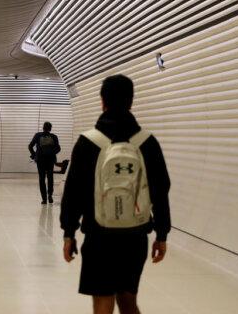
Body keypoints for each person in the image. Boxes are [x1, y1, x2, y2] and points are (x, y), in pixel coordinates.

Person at [60, 74, 171, 314]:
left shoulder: (88, 142)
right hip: (135, 235)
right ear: (131, 102)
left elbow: (74, 192)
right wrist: (162, 234)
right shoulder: (147, 142)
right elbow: (161, 190)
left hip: (99, 235)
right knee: (128, 300)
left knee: (103, 301)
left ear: (102, 101)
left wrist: (69, 232)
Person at [28, 121, 61, 204]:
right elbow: (58, 148)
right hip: (50, 160)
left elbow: (30, 146)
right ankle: (50, 195)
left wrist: (34, 154)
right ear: (50, 128)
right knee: (50, 178)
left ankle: (44, 199)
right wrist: (52, 153)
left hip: (40, 160)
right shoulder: (54, 137)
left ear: (43, 127)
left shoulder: (38, 135)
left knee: (42, 178)